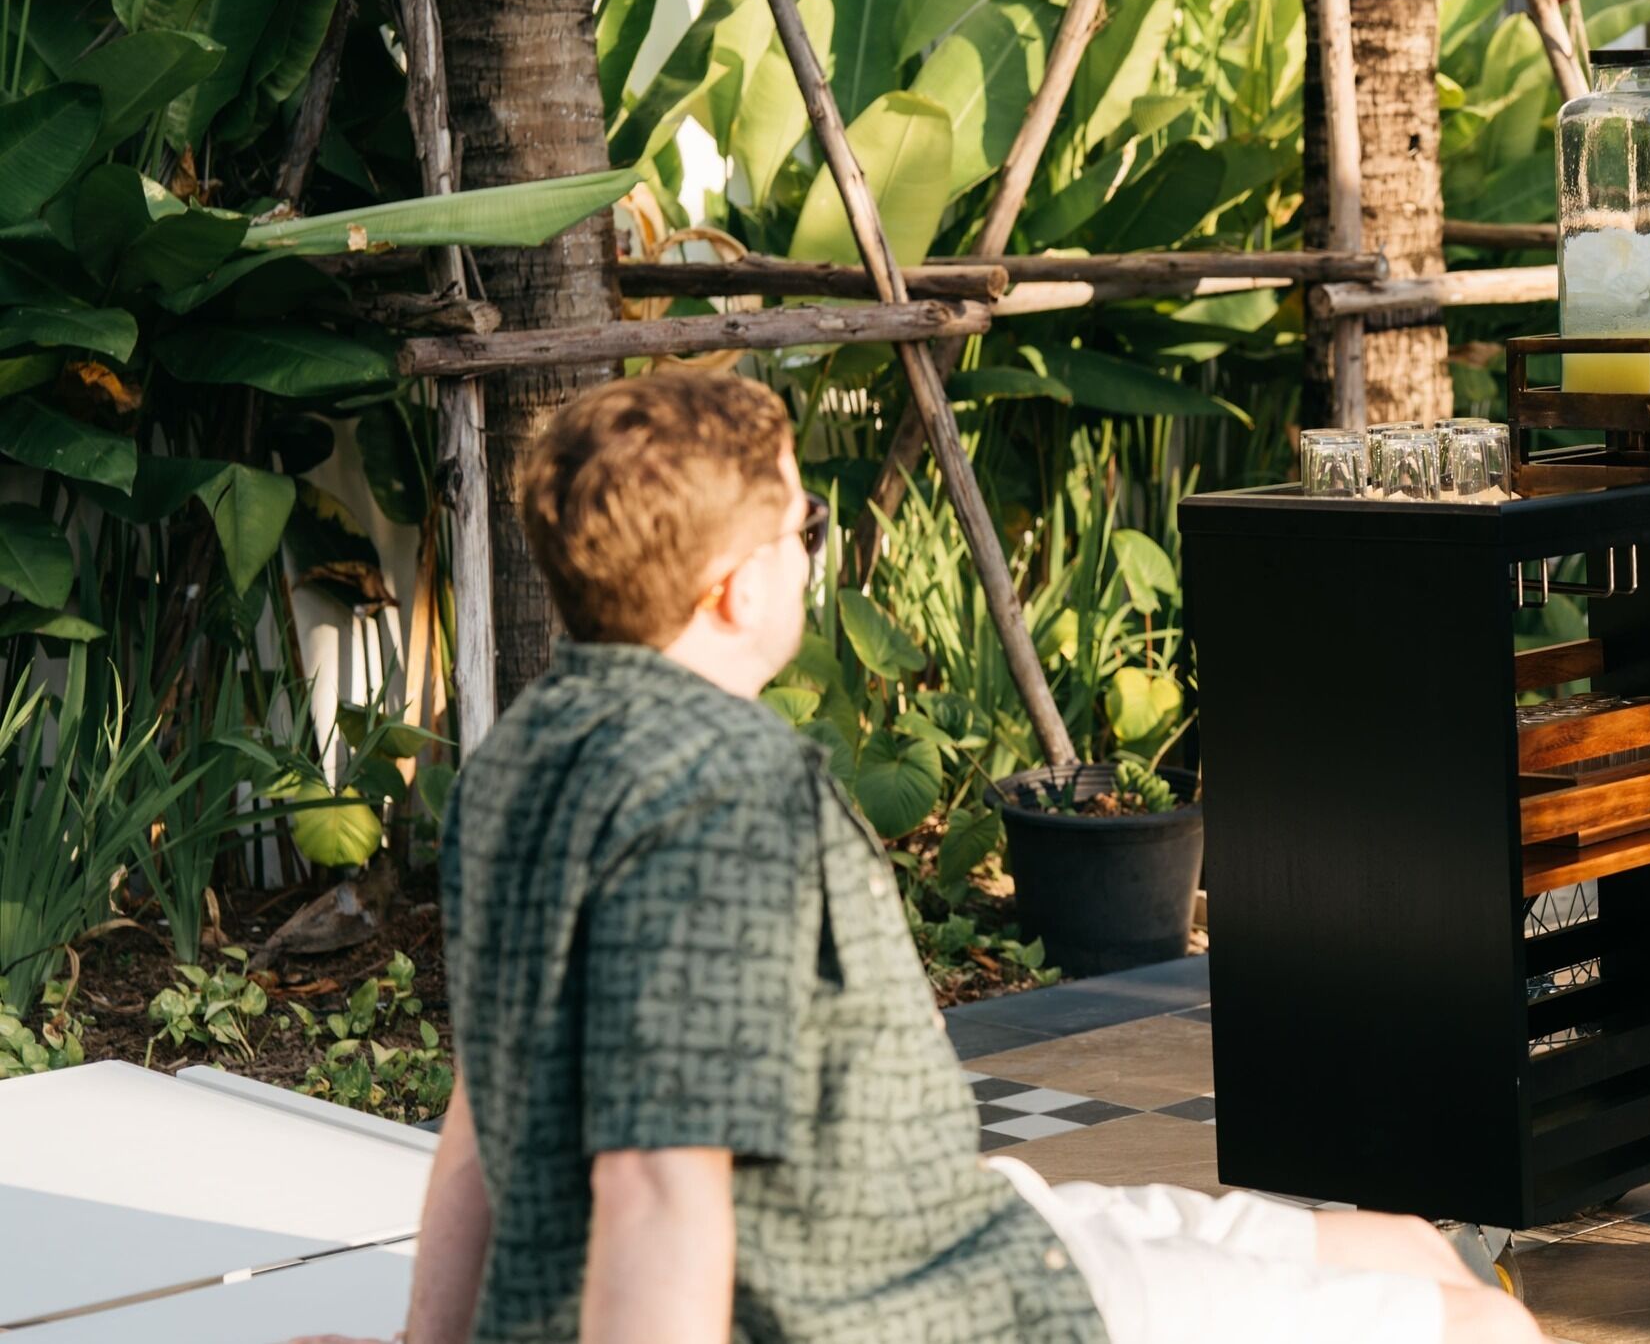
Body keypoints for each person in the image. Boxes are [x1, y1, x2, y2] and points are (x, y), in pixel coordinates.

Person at [305, 370, 1544, 1344]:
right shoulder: (721, 800)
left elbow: (485, 1102)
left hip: (932, 1222)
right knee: (1480, 1326)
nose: (815, 548)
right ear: (735, 588)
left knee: (1403, 1249)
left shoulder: (518, 756)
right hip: (887, 1299)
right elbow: (659, 1187)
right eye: (804, 522)